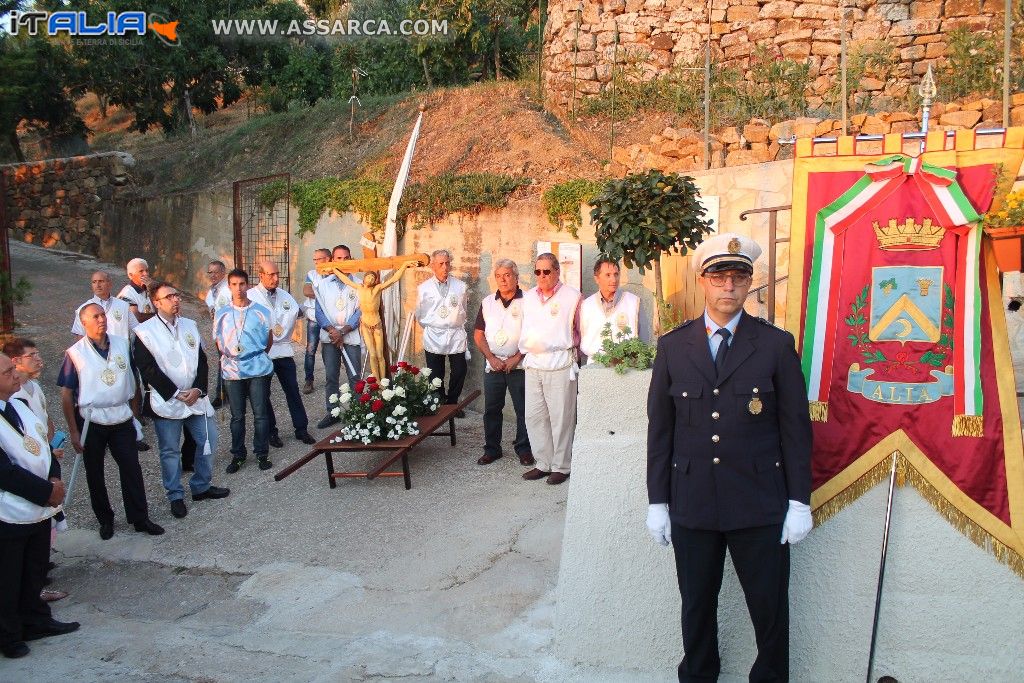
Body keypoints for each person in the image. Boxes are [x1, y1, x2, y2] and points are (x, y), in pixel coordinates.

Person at [645, 232, 813, 683]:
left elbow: (795, 429)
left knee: (770, 611)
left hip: (759, 502)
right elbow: (661, 430)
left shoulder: (775, 346)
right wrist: (657, 502)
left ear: (749, 283)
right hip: (693, 503)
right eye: (719, 275)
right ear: (703, 281)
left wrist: (800, 500)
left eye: (739, 276)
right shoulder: (673, 347)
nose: (729, 286)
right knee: (696, 608)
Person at [57, 304, 164, 539]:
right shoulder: (75, 353)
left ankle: (140, 517)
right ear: (84, 323)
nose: (101, 319)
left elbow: (134, 378)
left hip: (121, 416)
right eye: (95, 317)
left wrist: (135, 415)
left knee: (131, 468)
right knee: (94, 472)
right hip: (91, 419)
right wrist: (74, 432)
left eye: (103, 315)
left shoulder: (122, 343)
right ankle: (105, 520)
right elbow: (66, 394)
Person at [0, 353, 80, 659]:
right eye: (8, 372)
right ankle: (8, 635)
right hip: (9, 511)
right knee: (8, 577)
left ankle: (35, 619)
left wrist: (54, 482)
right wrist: (45, 491)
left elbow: (45, 447)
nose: (15, 375)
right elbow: (4, 471)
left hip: (40, 505)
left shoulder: (19, 407)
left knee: (34, 570)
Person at [134, 282, 230, 519]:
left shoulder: (190, 325)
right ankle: (175, 495)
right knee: (170, 451)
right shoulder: (144, 332)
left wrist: (198, 389)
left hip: (195, 398)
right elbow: (147, 369)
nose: (175, 300)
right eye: (169, 297)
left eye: (176, 295)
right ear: (156, 302)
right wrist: (176, 393)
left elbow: (202, 360)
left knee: (208, 438)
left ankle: (201, 486)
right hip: (167, 401)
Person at [4, 339, 67, 603]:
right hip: (18, 499)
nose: (39, 359)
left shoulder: (26, 394)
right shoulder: (12, 398)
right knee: (14, 566)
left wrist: (52, 466)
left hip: (43, 478)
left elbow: (42, 427)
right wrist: (46, 489)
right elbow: (8, 466)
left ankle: (36, 607)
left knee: (37, 553)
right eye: (32, 355)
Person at [518, 253, 582, 485]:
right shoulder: (528, 298)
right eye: (538, 271)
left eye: (547, 271)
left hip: (559, 364)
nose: (542, 276)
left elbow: (579, 330)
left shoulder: (573, 297)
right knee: (535, 417)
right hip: (534, 364)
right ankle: (543, 463)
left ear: (557, 272)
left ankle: (562, 466)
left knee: (561, 418)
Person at [247, 260, 316, 446]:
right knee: (264, 394)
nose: (276, 278)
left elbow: (296, 312)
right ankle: (271, 432)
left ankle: (301, 428)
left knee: (292, 390)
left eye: (277, 274)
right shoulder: (250, 296)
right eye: (271, 275)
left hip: (284, 350)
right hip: (264, 353)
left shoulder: (284, 295)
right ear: (261, 275)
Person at [472, 258, 533, 467]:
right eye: (498, 276)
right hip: (494, 366)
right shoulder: (488, 302)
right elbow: (478, 334)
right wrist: (491, 357)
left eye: (507, 275)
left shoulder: (528, 301)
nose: (503, 280)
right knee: (491, 410)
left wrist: (517, 357)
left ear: (516, 277)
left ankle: (524, 449)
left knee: (523, 410)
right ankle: (492, 449)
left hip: (519, 366)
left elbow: (533, 334)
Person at [213, 268, 275, 473]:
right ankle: (238, 455)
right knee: (237, 416)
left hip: (257, 367)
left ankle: (261, 453)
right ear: (229, 286)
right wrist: (231, 357)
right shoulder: (222, 313)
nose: (238, 289)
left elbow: (268, 341)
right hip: (232, 370)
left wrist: (253, 355)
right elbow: (218, 341)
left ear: (248, 285)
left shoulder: (262, 311)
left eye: (242, 284)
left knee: (260, 413)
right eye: (234, 284)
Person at [334, 259, 420, 382]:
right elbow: (346, 280)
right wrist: (335, 271)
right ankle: (378, 382)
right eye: (368, 277)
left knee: (380, 355)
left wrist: (405, 265)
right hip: (365, 324)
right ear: (364, 279)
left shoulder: (378, 288)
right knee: (373, 355)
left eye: (372, 279)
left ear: (375, 281)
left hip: (377, 324)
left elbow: (394, 279)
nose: (370, 280)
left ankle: (383, 381)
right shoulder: (359, 288)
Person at [312, 245, 362, 429]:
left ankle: (358, 412)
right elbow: (319, 312)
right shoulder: (322, 285)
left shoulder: (358, 284)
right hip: (330, 338)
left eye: (347, 257)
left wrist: (344, 331)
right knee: (331, 376)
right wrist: (333, 330)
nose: (343, 261)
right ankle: (332, 411)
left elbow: (360, 310)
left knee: (355, 376)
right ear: (333, 260)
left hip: (350, 336)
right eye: (339, 258)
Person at [415, 249, 469, 415]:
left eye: (447, 263)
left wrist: (452, 322)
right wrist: (435, 325)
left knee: (460, 369)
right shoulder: (424, 288)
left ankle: (452, 402)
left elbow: (463, 309)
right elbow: (420, 313)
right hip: (434, 333)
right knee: (436, 371)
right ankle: (439, 400)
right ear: (433, 266)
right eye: (440, 264)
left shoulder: (460, 286)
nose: (445, 267)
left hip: (455, 333)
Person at [579, 256, 641, 363]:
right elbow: (584, 336)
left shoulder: (632, 301)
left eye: (616, 274)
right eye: (608, 275)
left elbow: (640, 338)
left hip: (624, 366)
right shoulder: (587, 305)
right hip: (595, 365)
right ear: (597, 278)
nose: (613, 279)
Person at [71, 271, 136, 339]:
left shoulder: (123, 305)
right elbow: (80, 337)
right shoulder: (83, 309)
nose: (97, 285)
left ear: (110, 284)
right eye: (94, 282)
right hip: (96, 349)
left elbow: (135, 329)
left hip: (121, 349)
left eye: (101, 281)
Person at [301, 249, 331, 394]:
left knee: (329, 350)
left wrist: (318, 293)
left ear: (327, 259)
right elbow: (307, 291)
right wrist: (327, 297)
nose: (315, 262)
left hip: (330, 318)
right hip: (314, 318)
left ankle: (331, 379)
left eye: (317, 259)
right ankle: (309, 380)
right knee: (310, 350)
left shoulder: (334, 273)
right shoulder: (312, 274)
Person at [204, 260, 230, 408]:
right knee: (223, 361)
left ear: (223, 272)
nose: (212, 275)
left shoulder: (228, 289)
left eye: (216, 272)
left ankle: (221, 395)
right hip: (219, 333)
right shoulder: (212, 291)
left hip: (228, 333)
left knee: (224, 362)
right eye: (210, 272)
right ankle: (225, 392)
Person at [117, 257, 155, 324]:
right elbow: (136, 318)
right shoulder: (126, 294)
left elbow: (159, 306)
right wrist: (158, 317)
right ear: (131, 275)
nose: (146, 274)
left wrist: (153, 291)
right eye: (141, 271)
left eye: (147, 270)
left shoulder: (148, 289)